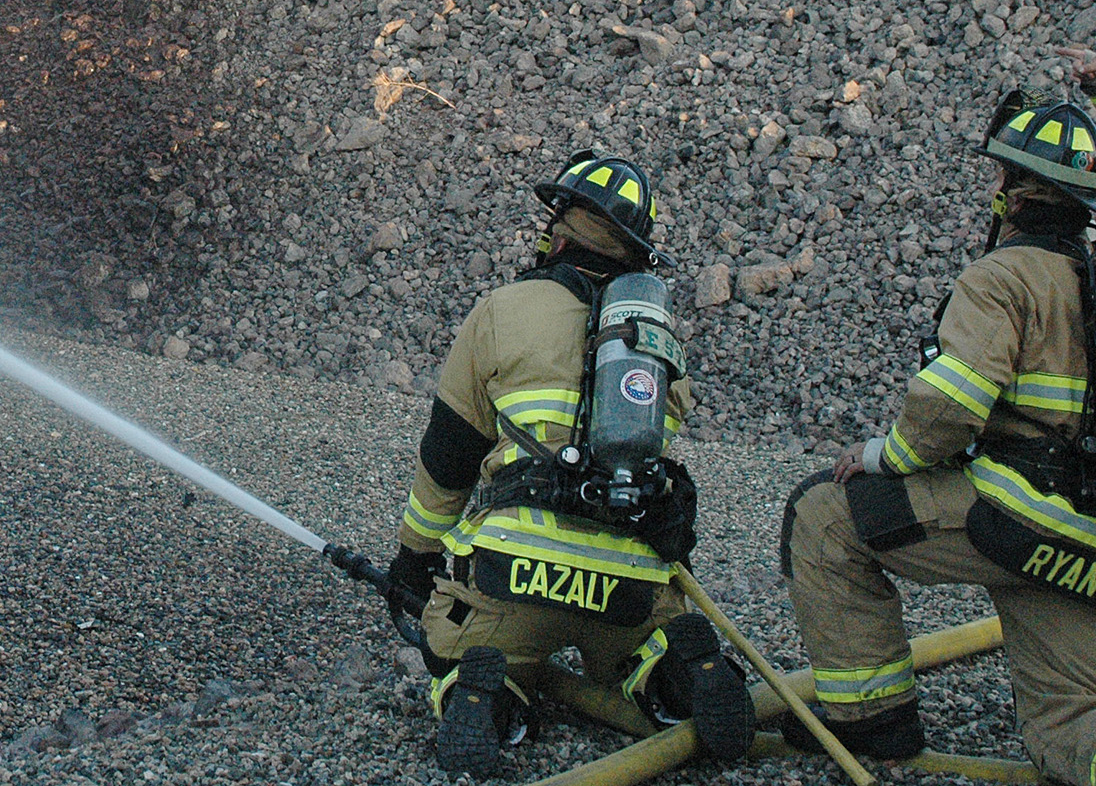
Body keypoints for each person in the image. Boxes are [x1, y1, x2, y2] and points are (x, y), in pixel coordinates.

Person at [387, 151, 755, 776]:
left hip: (516, 572)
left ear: (559, 230)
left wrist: (415, 555)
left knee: (459, 651)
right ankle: (674, 674)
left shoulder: (503, 310)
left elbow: (448, 455)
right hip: (630, 578)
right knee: (645, 649)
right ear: (636, 249)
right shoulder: (657, 338)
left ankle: (486, 697)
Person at [781, 84, 1096, 780]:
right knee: (1068, 720)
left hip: (1017, 515)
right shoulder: (1087, 278)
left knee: (825, 517)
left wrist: (885, 456)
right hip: (1083, 535)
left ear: (1013, 190)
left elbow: (950, 409)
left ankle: (871, 721)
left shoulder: (1004, 277)